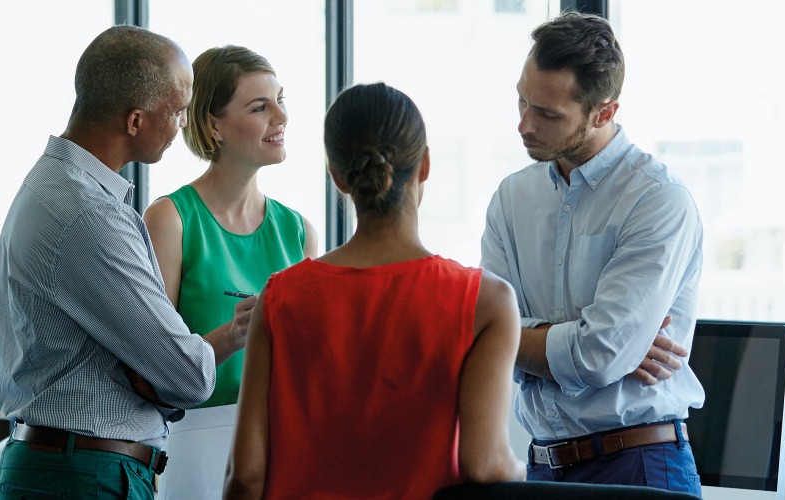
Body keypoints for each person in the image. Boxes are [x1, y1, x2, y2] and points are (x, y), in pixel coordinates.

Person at [226, 82, 525, 498]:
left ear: (337, 177)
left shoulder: (280, 298)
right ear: (424, 165)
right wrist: (523, 471)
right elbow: (484, 462)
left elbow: (246, 476)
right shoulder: (485, 302)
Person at [0, 25, 247, 499]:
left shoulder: (52, 184)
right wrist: (229, 336)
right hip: (85, 476)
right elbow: (187, 376)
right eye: (177, 111)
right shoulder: (89, 214)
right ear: (135, 121)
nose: (182, 125)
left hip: (67, 466)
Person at [481, 12, 704, 493]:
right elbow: (480, 332)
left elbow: (598, 355)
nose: (524, 124)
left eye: (548, 114)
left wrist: (515, 337)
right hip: (543, 465)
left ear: (604, 112)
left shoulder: (657, 200)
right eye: (522, 100)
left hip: (640, 466)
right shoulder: (510, 198)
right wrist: (604, 345)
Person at [140, 44, 318, 500]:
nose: (281, 116)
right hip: (195, 446)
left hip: (286, 445)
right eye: (260, 107)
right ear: (213, 125)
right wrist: (235, 333)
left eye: (281, 100)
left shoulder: (299, 231)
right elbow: (152, 367)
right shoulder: (170, 220)